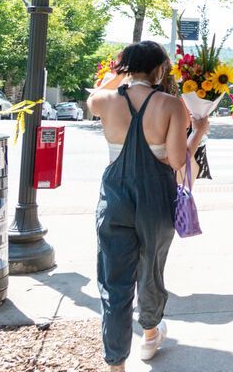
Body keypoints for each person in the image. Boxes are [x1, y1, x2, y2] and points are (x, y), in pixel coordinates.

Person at [88, 40, 209, 372]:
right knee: (151, 269)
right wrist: (198, 132)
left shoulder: (105, 101)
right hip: (155, 196)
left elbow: (94, 95)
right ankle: (151, 333)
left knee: (114, 281)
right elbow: (174, 160)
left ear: (125, 67)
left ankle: (116, 363)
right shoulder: (171, 105)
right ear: (159, 69)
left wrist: (117, 74)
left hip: (114, 196)